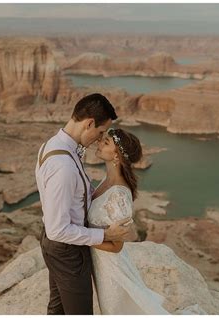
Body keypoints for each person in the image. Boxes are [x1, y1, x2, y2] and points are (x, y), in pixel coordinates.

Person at [89, 127, 208, 315]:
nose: (99, 143)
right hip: (99, 263)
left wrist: (82, 237)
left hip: (111, 271)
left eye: (106, 143)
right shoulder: (106, 180)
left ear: (117, 155)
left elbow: (117, 246)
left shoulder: (119, 194)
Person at [35, 93, 133, 315]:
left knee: (58, 307)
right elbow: (58, 230)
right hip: (67, 250)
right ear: (89, 123)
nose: (99, 139)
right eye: (99, 132)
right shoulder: (64, 166)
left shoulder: (51, 146)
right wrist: (105, 235)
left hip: (54, 245)